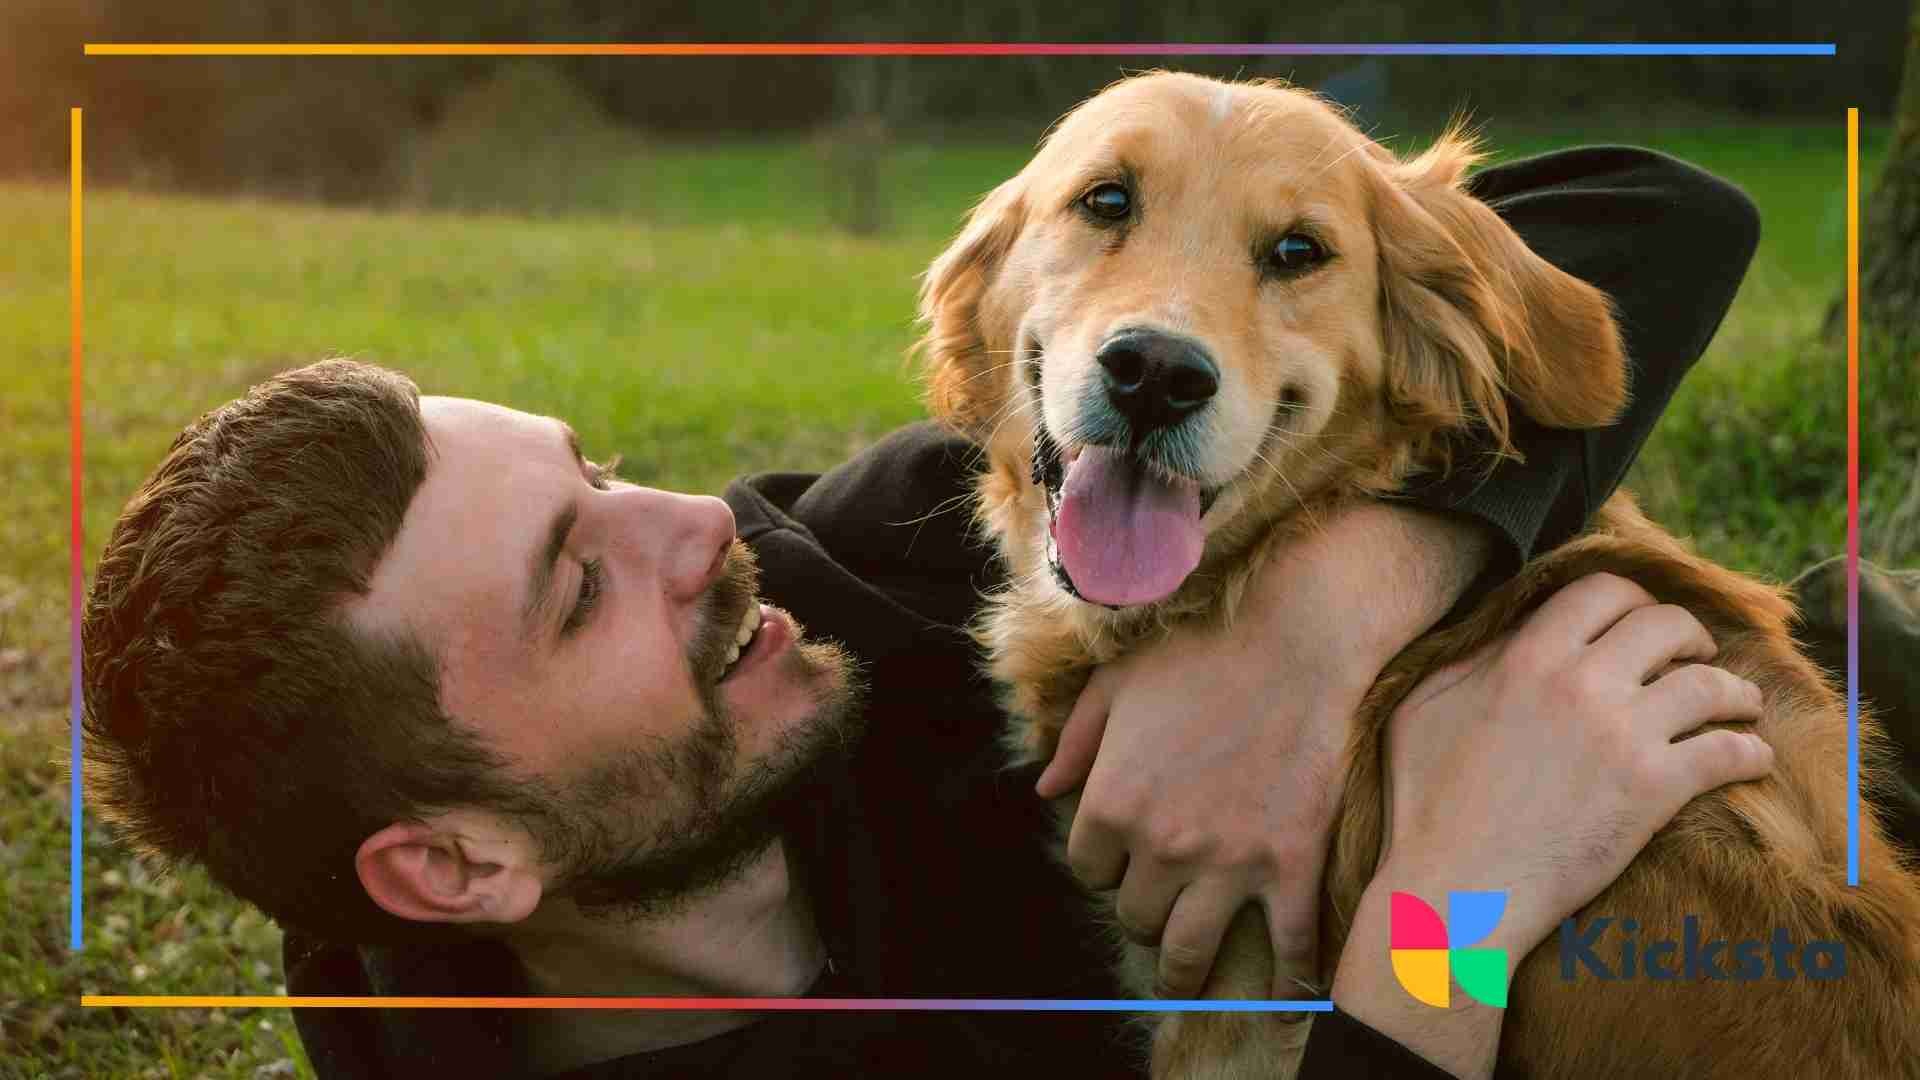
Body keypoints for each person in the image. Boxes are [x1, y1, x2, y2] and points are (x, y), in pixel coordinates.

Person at [81, 148, 1770, 1078]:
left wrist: (1331, 619)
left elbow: (1666, 220)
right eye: (576, 583)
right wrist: (1457, 892)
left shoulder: (814, 589)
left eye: (595, 470)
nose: (693, 523)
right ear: (459, 870)